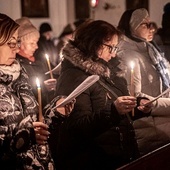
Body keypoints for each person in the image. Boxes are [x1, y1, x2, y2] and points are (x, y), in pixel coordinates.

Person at [53, 19, 152, 170]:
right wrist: (114, 110)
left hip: (117, 156)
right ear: (94, 43)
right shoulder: (74, 77)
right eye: (110, 47)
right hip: (94, 160)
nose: (113, 54)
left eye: (115, 48)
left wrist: (138, 106)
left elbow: (119, 109)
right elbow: (76, 127)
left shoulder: (108, 70)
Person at [0, 13, 74, 170]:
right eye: (10, 44)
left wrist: (55, 111)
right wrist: (26, 136)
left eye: (17, 42)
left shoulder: (20, 74)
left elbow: (35, 119)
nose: (16, 49)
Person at [116, 8, 170, 156]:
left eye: (150, 23)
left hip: (163, 124)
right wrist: (163, 104)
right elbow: (137, 98)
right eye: (144, 24)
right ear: (132, 27)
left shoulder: (151, 50)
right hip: (150, 129)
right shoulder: (128, 55)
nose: (151, 28)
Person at [15, 17, 57, 107]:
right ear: (19, 43)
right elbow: (21, 92)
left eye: (36, 42)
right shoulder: (17, 65)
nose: (36, 46)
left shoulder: (38, 62)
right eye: (32, 43)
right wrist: (42, 87)